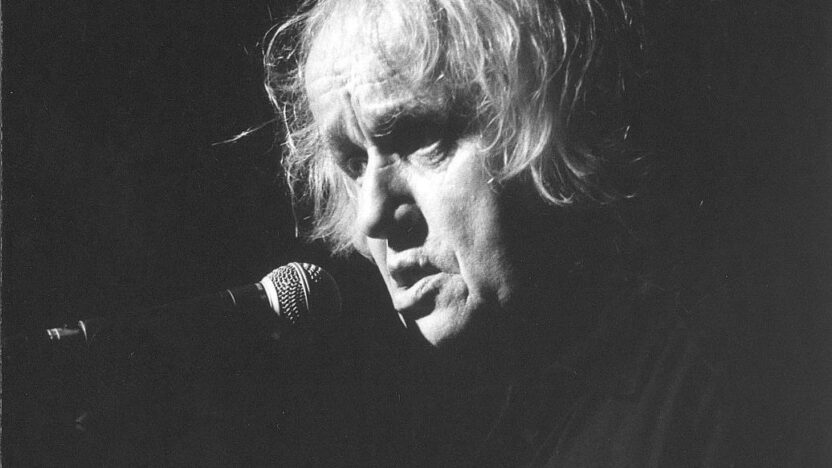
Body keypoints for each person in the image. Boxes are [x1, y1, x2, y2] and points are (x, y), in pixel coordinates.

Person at [262, 0, 754, 466]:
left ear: (555, 117)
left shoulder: (721, 394)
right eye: (353, 164)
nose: (371, 215)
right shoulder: (486, 428)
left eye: (418, 138)